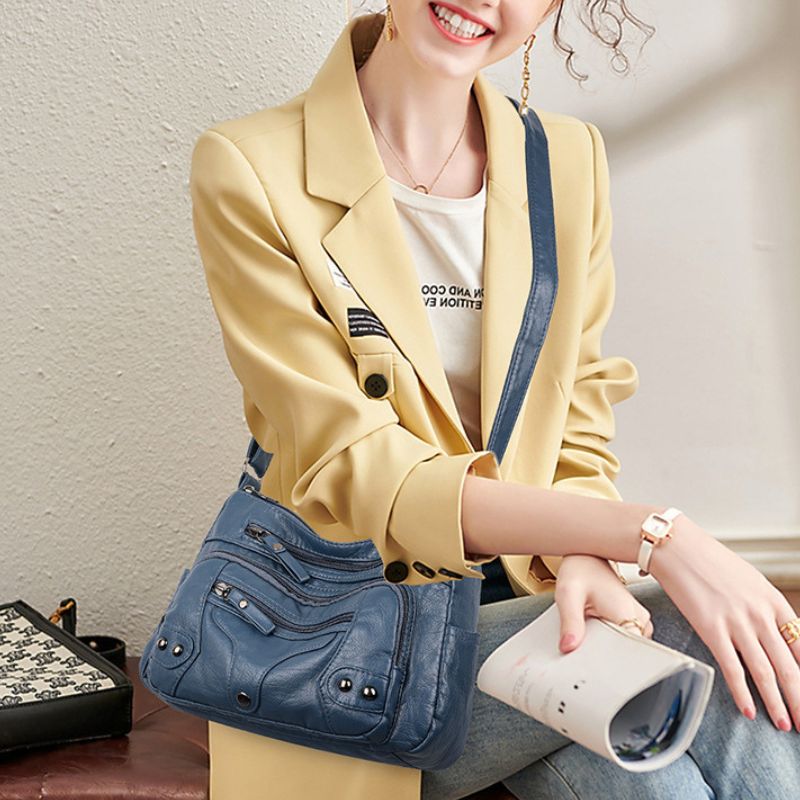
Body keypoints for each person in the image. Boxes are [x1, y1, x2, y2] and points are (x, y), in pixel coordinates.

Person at [192, 3, 800, 799]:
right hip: (349, 649)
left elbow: (576, 416)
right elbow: (363, 468)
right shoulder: (250, 165)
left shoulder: (565, 160)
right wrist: (656, 536)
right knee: (692, 634)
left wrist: (581, 554)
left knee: (649, 779)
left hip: (527, 615)